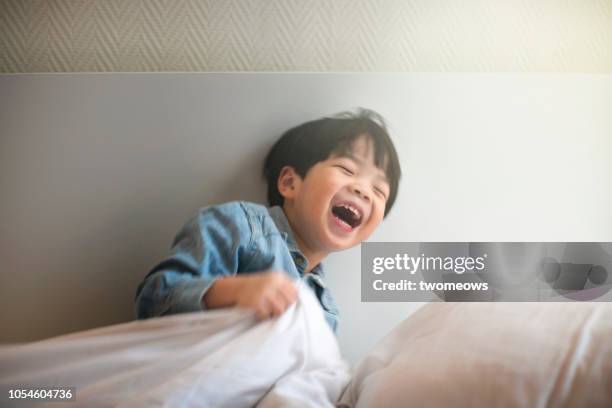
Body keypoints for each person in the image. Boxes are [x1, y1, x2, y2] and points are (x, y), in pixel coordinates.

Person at [135, 109, 401, 334]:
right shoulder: (238, 227)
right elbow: (154, 301)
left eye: (379, 191)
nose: (364, 191)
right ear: (290, 183)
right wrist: (231, 293)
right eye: (346, 170)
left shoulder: (326, 310)